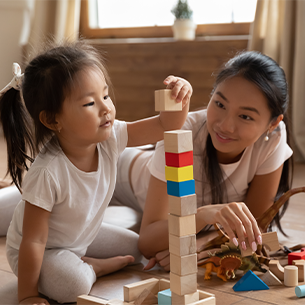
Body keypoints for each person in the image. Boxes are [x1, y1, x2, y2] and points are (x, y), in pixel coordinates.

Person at [0, 40, 192, 304]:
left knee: (137, 249)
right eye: (90, 103)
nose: (106, 109)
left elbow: (163, 125)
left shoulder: (111, 137)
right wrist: (27, 296)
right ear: (53, 120)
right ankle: (92, 268)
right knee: (73, 285)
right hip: (42, 251)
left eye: (105, 95)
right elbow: (34, 241)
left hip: (80, 237)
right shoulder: (48, 172)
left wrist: (181, 97)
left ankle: (85, 262)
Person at [109, 51, 293, 271]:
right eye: (220, 104)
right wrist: (202, 216)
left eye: (245, 116)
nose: (225, 125)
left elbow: (254, 225)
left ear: (272, 124)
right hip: (123, 168)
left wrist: (203, 242)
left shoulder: (274, 137)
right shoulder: (181, 132)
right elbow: (148, 242)